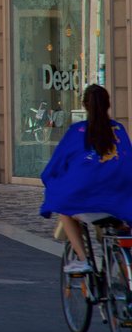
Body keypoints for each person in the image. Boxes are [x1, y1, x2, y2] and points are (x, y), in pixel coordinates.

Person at [41, 84, 132, 273]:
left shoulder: (78, 131)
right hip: (120, 202)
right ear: (108, 104)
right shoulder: (119, 130)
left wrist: (51, 180)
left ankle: (83, 260)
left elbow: (55, 166)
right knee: (116, 225)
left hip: (85, 200)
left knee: (63, 206)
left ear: (84, 106)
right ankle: (124, 274)